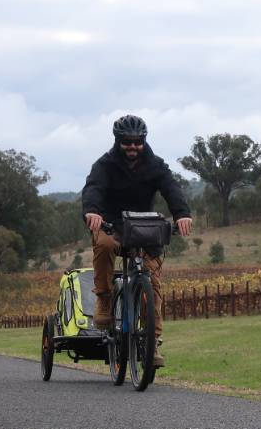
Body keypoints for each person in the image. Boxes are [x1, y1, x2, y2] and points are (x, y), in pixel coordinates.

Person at [81, 114, 193, 368]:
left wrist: (182, 214)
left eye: (137, 142)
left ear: (144, 141)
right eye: (127, 142)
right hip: (112, 224)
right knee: (105, 245)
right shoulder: (105, 164)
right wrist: (93, 211)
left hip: (144, 228)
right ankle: (105, 298)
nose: (132, 147)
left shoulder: (155, 165)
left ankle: (152, 344)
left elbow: (171, 188)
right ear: (118, 141)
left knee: (152, 281)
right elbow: (94, 189)